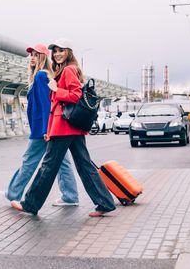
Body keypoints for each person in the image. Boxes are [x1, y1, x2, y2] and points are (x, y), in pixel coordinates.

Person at [11, 38, 116, 217]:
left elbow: (75, 95)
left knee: (48, 166)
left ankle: (30, 204)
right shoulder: (67, 70)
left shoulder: (68, 70)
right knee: (84, 165)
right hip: (72, 127)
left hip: (64, 126)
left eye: (61, 50)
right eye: (55, 51)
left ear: (69, 52)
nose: (58, 54)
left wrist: (55, 89)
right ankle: (104, 202)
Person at [0, 43, 79, 206]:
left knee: (29, 161)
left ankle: (13, 193)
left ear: (42, 57)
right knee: (62, 162)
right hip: (48, 129)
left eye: (36, 55)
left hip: (42, 130)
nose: (32, 58)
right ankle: (70, 196)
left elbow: (46, 104)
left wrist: (46, 130)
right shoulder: (45, 75)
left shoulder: (41, 76)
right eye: (31, 55)